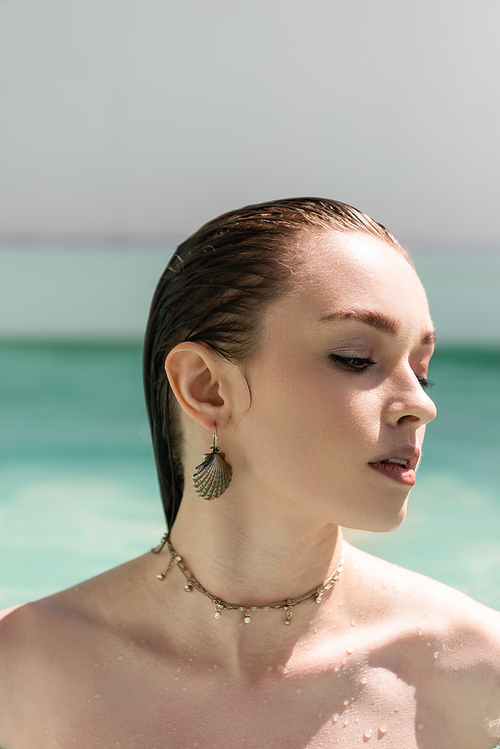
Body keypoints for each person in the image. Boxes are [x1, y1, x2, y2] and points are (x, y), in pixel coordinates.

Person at [0, 197, 499, 749]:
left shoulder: (476, 670)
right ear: (205, 388)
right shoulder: (21, 668)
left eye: (421, 372)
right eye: (357, 358)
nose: (419, 405)